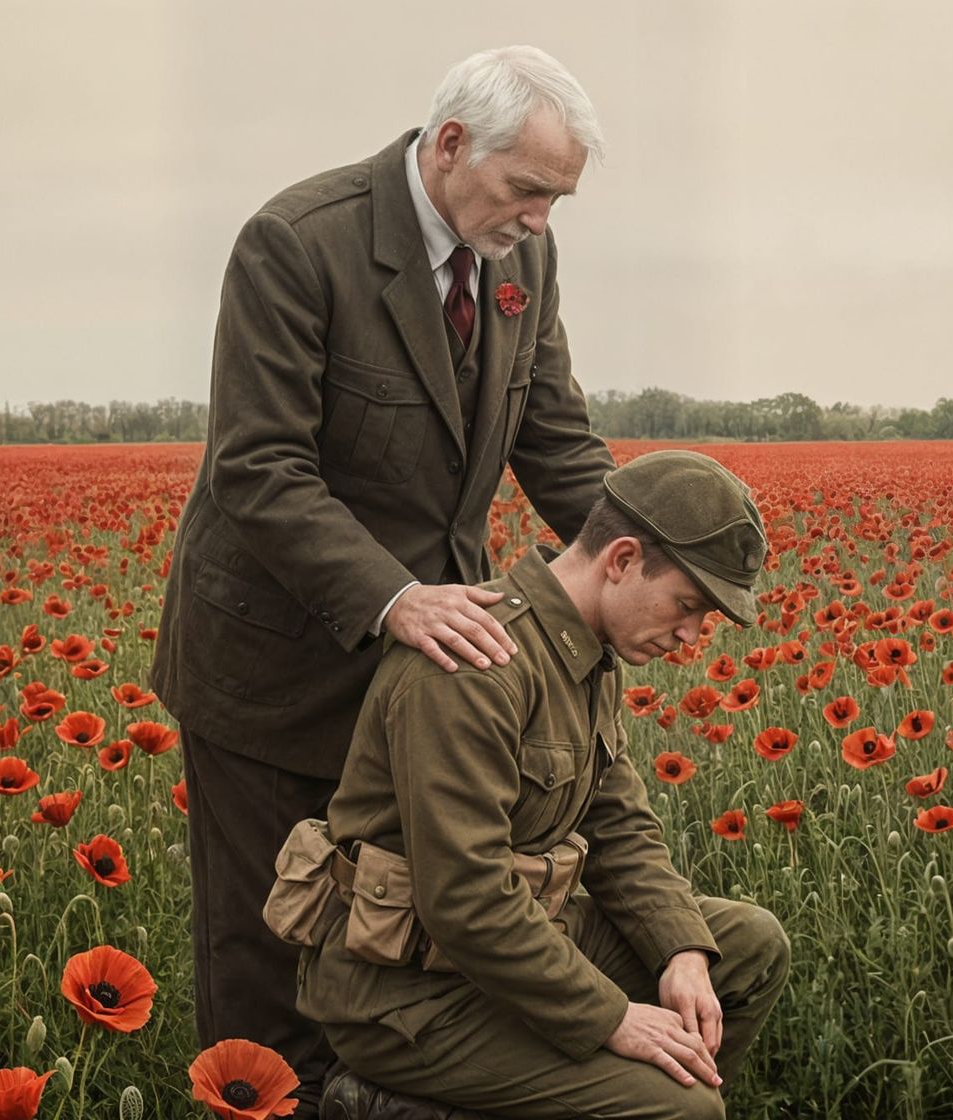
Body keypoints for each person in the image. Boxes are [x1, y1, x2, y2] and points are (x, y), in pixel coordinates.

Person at [148, 46, 617, 1115]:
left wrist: (643, 552)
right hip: (277, 666)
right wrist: (393, 598)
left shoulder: (520, 262)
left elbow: (553, 439)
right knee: (269, 941)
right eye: (529, 189)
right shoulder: (297, 243)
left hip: (427, 671)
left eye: (559, 198)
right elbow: (259, 466)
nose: (541, 218)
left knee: (390, 933)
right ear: (451, 146)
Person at [293, 451, 790, 1120]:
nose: (691, 635)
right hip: (405, 994)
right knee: (685, 1111)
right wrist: (613, 1019)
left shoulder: (590, 651)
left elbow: (619, 825)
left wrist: (680, 950)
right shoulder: (475, 665)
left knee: (746, 949)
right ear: (621, 560)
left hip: (509, 953)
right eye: (688, 604)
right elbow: (466, 899)